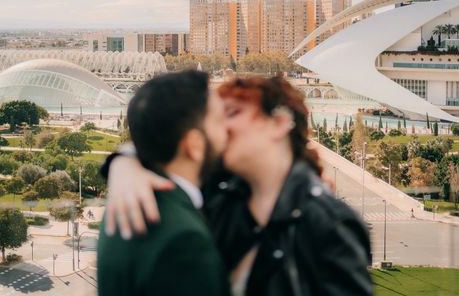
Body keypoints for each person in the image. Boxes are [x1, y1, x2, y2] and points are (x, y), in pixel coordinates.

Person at [104, 75, 372, 296]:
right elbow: (167, 145)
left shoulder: (328, 223)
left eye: (230, 113)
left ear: (279, 124)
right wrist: (123, 165)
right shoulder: (222, 194)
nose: (220, 127)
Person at [97, 70, 230, 296]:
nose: (228, 131)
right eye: (220, 121)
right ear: (194, 144)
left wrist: (122, 162)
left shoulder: (125, 206)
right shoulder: (184, 241)